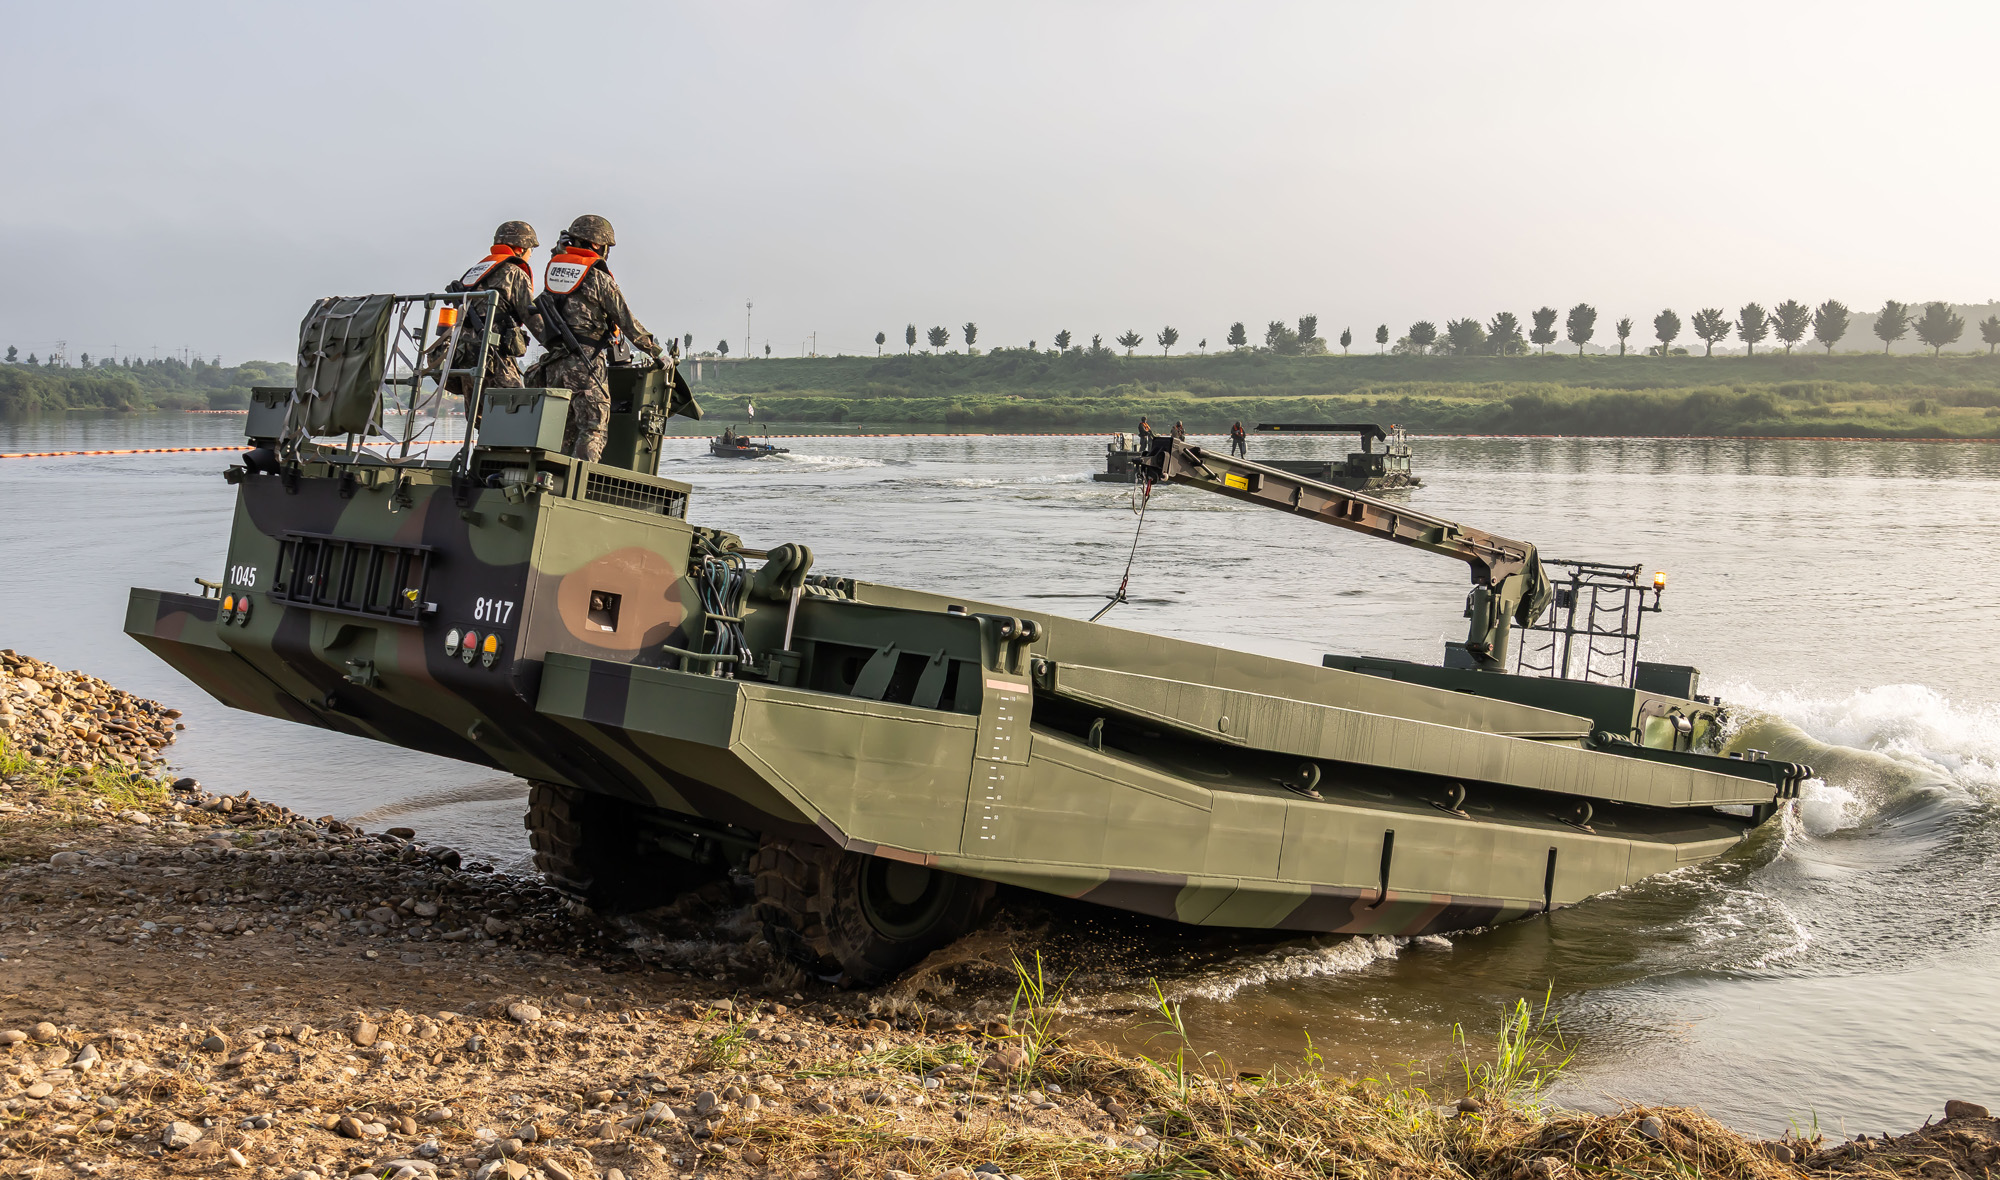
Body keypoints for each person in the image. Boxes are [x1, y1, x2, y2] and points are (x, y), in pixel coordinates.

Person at [525, 214, 663, 462]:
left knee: (564, 432)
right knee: (593, 426)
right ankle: (579, 485)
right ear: (599, 245)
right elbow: (627, 322)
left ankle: (553, 481)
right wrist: (656, 352)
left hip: (554, 364)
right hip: (585, 362)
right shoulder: (599, 279)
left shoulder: (554, 272)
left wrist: (558, 250)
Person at [432, 220, 546, 396]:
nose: (531, 254)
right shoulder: (514, 272)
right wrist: (557, 343)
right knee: (513, 406)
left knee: (478, 414)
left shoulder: (475, 271)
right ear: (521, 247)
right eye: (531, 249)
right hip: (493, 353)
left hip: (465, 353)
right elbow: (532, 317)